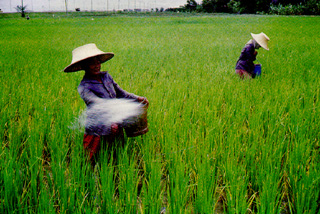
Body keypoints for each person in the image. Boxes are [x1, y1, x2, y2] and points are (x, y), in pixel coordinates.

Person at [64, 43, 149, 165]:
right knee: (93, 161)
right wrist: (113, 118)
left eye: (98, 62)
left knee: (116, 157)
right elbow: (98, 104)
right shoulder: (84, 87)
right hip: (98, 129)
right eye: (92, 63)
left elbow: (120, 92)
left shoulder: (106, 77)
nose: (97, 65)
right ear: (84, 66)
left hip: (115, 123)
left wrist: (138, 98)